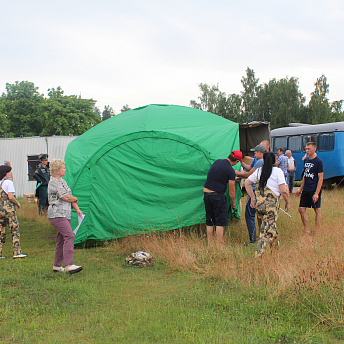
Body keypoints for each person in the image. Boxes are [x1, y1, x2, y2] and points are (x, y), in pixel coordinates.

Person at [245, 152, 290, 258]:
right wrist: (288, 202)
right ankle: (257, 258)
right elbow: (284, 191)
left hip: (259, 206)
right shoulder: (278, 171)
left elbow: (247, 183)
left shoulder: (258, 171)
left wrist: (252, 197)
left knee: (271, 227)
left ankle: (275, 252)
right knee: (266, 233)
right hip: (271, 207)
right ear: (275, 160)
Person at [48, 159, 83, 274]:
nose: (65, 169)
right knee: (69, 236)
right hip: (57, 215)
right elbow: (66, 197)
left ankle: (57, 266)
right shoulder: (54, 182)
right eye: (63, 168)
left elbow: (70, 196)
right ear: (57, 170)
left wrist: (77, 209)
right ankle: (69, 265)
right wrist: (75, 199)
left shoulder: (63, 181)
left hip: (65, 214)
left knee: (61, 239)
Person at [203, 150, 242, 245]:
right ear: (237, 161)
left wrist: (231, 178)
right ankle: (219, 244)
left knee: (210, 220)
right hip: (217, 196)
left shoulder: (217, 161)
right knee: (220, 221)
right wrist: (233, 202)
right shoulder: (230, 170)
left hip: (207, 195)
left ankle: (210, 243)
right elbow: (231, 191)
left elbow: (218, 176)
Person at [236, 144, 266, 244]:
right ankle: (263, 237)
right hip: (261, 191)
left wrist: (238, 173)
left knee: (249, 216)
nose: (254, 154)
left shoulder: (260, 161)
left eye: (255, 152)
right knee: (260, 215)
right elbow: (249, 168)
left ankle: (253, 240)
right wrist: (241, 162)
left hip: (254, 192)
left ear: (260, 153)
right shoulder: (259, 161)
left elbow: (249, 174)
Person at [295, 142, 323, 234]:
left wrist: (316, 193)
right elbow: (305, 176)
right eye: (306, 148)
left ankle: (317, 230)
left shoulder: (318, 162)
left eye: (309, 149)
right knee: (301, 209)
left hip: (314, 189)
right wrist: (300, 189)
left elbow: (320, 178)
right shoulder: (306, 160)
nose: (307, 150)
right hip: (306, 189)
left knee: (317, 210)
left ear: (314, 149)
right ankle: (307, 229)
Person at [0, 165, 27, 259]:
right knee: (14, 229)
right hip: (9, 209)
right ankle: (17, 252)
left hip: (0, 209)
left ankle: (0, 253)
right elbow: (10, 197)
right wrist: (17, 203)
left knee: (1, 231)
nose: (11, 173)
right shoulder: (8, 182)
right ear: (5, 173)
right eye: (10, 171)